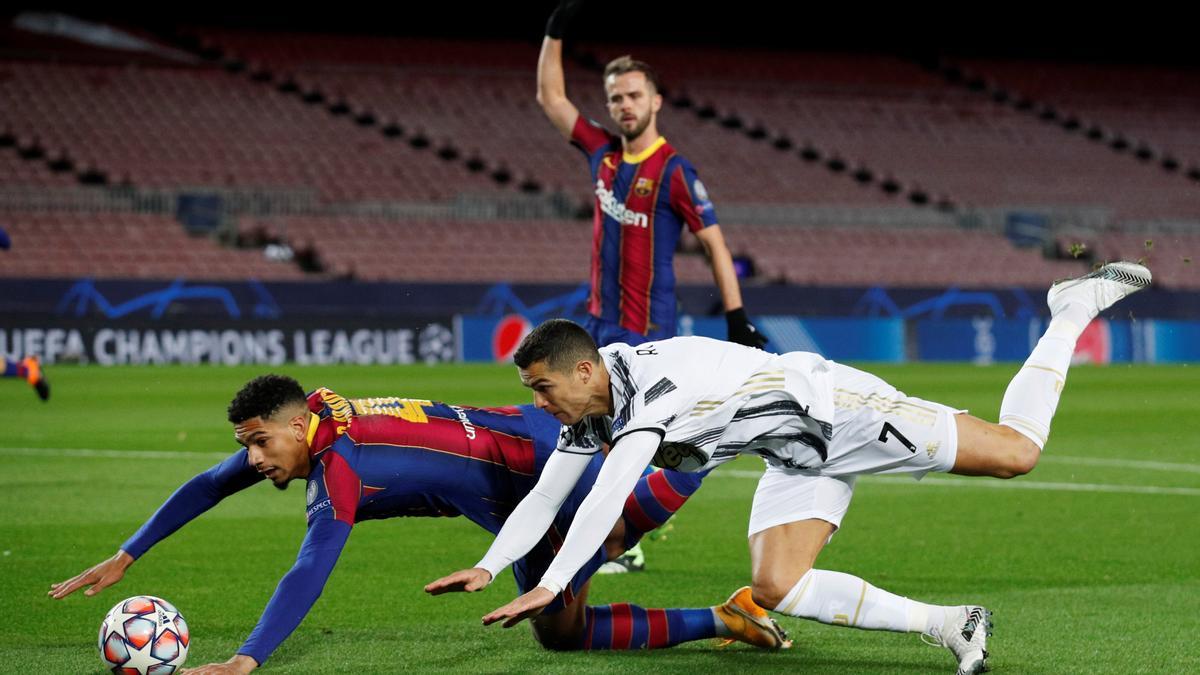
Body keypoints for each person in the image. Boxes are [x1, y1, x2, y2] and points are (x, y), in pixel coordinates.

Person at [429, 262, 1152, 674]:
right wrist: (493, 566)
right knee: (777, 583)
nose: (538, 402)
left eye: (541, 388)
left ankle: (1068, 310)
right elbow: (552, 492)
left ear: (582, 370)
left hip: (841, 409)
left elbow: (607, 495)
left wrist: (553, 583)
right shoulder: (594, 404)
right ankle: (955, 624)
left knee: (1018, 452)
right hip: (792, 446)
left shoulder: (653, 389)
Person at [49, 376, 788, 674]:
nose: (250, 457)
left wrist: (248, 658)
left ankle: (721, 432)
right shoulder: (311, 434)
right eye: (248, 442)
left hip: (537, 459)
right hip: (504, 479)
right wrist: (127, 551)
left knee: (620, 530)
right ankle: (727, 614)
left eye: (259, 442)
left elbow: (310, 565)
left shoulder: (338, 465)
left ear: (296, 425)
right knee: (563, 627)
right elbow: (209, 483)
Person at [536, 0, 765, 350]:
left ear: (655, 101)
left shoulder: (674, 171)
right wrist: (554, 33)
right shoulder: (602, 151)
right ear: (609, 106)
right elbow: (551, 98)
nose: (625, 104)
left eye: (634, 95)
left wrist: (736, 317)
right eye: (616, 98)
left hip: (647, 332)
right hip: (596, 322)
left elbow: (714, 244)